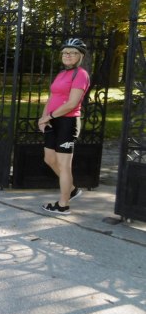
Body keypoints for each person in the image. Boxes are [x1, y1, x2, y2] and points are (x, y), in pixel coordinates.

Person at [38, 38, 90, 215]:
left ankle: (63, 205)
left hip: (67, 122)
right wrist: (43, 118)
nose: (68, 55)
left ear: (80, 56)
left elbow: (72, 103)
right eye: (65, 52)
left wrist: (50, 116)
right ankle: (72, 190)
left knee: (64, 165)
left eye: (73, 52)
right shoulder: (61, 73)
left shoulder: (81, 74)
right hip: (53, 120)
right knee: (49, 159)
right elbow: (52, 97)